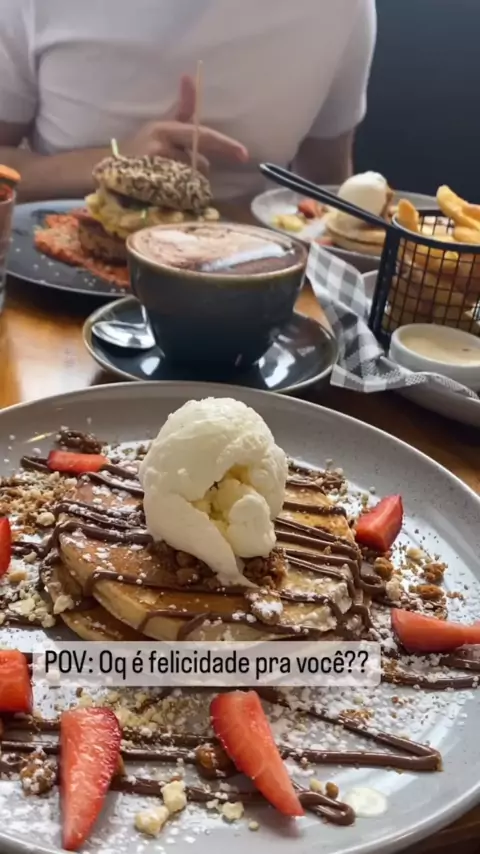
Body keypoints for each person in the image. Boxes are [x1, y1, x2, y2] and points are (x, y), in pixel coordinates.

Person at [0, 0, 376, 203]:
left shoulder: (342, 9)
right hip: (55, 276)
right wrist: (114, 163)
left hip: (252, 281)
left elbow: (325, 186)